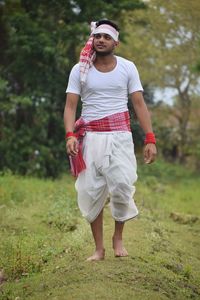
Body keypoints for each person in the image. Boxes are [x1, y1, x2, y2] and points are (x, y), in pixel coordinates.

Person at [64, 19, 157, 261]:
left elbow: (138, 103)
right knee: (90, 191)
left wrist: (150, 138)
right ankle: (99, 248)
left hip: (120, 136)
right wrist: (70, 135)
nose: (101, 40)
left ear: (116, 42)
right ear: (92, 40)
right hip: (90, 137)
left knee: (123, 186)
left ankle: (118, 237)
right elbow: (70, 106)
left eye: (106, 36)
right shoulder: (79, 70)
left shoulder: (127, 67)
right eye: (97, 36)